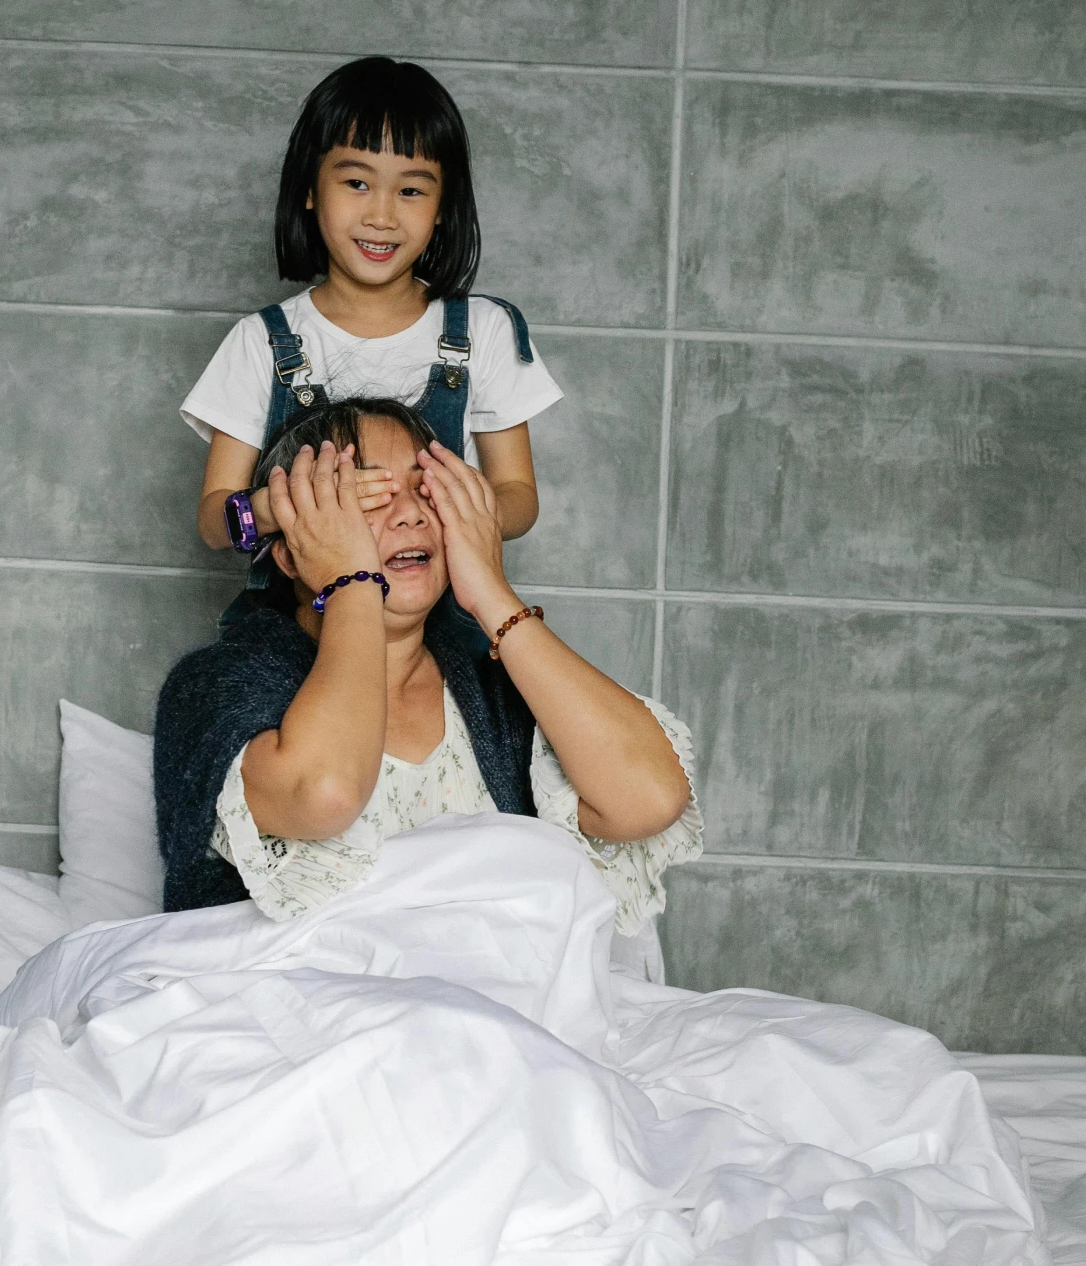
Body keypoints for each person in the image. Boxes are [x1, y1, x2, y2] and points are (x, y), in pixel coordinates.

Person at [155, 399, 702, 973]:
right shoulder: (214, 688)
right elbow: (326, 792)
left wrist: (490, 592)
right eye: (369, 495)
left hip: (495, 1030)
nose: (411, 515)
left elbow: (650, 798)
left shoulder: (498, 690)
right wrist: (351, 583)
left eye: (427, 492)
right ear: (290, 552)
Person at [183, 57, 562, 587]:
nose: (381, 216)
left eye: (410, 190)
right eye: (357, 183)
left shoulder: (484, 332)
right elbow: (213, 520)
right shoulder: (261, 342)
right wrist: (284, 504)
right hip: (296, 629)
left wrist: (446, 509)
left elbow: (519, 495)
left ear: (443, 208)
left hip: (439, 616)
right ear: (310, 190)